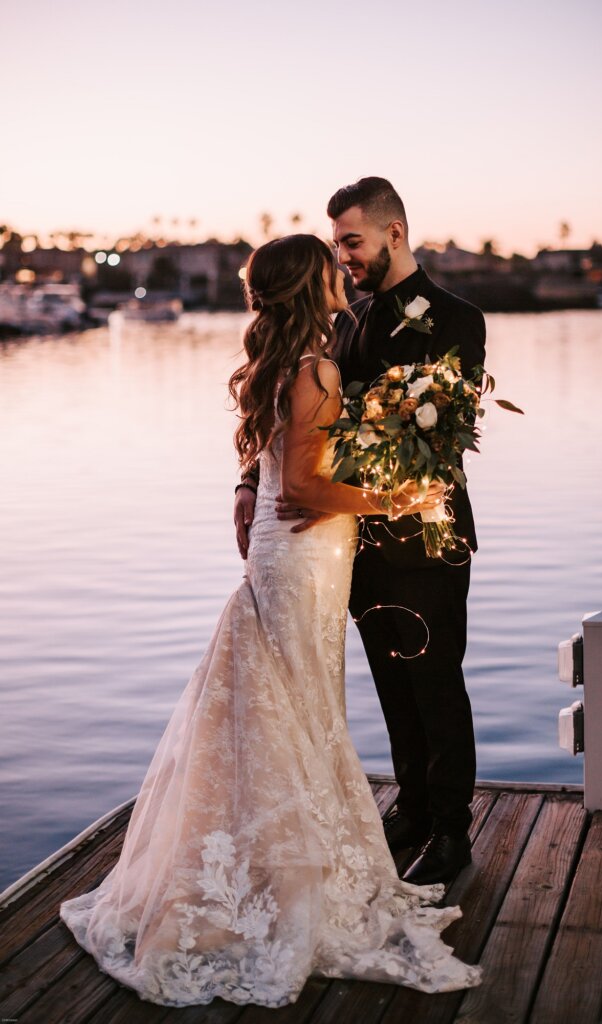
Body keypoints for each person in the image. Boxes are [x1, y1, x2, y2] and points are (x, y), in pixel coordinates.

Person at [60, 234, 481, 1008]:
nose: (342, 272)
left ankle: (278, 857)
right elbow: (314, 490)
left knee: (281, 705)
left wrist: (265, 484)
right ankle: (292, 871)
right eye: (332, 262)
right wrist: (405, 499)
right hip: (308, 551)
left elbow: (281, 463)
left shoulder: (280, 362)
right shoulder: (317, 365)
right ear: (313, 284)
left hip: (283, 554)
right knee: (301, 703)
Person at [241, 179, 486, 886]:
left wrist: (350, 493)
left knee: (436, 683)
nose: (342, 256)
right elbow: (296, 421)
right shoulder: (338, 323)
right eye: (338, 244)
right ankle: (409, 807)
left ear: (394, 234)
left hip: (425, 537)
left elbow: (439, 442)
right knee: (389, 682)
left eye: (352, 241)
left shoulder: (454, 319)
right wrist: (252, 483)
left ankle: (450, 831)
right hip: (345, 544)